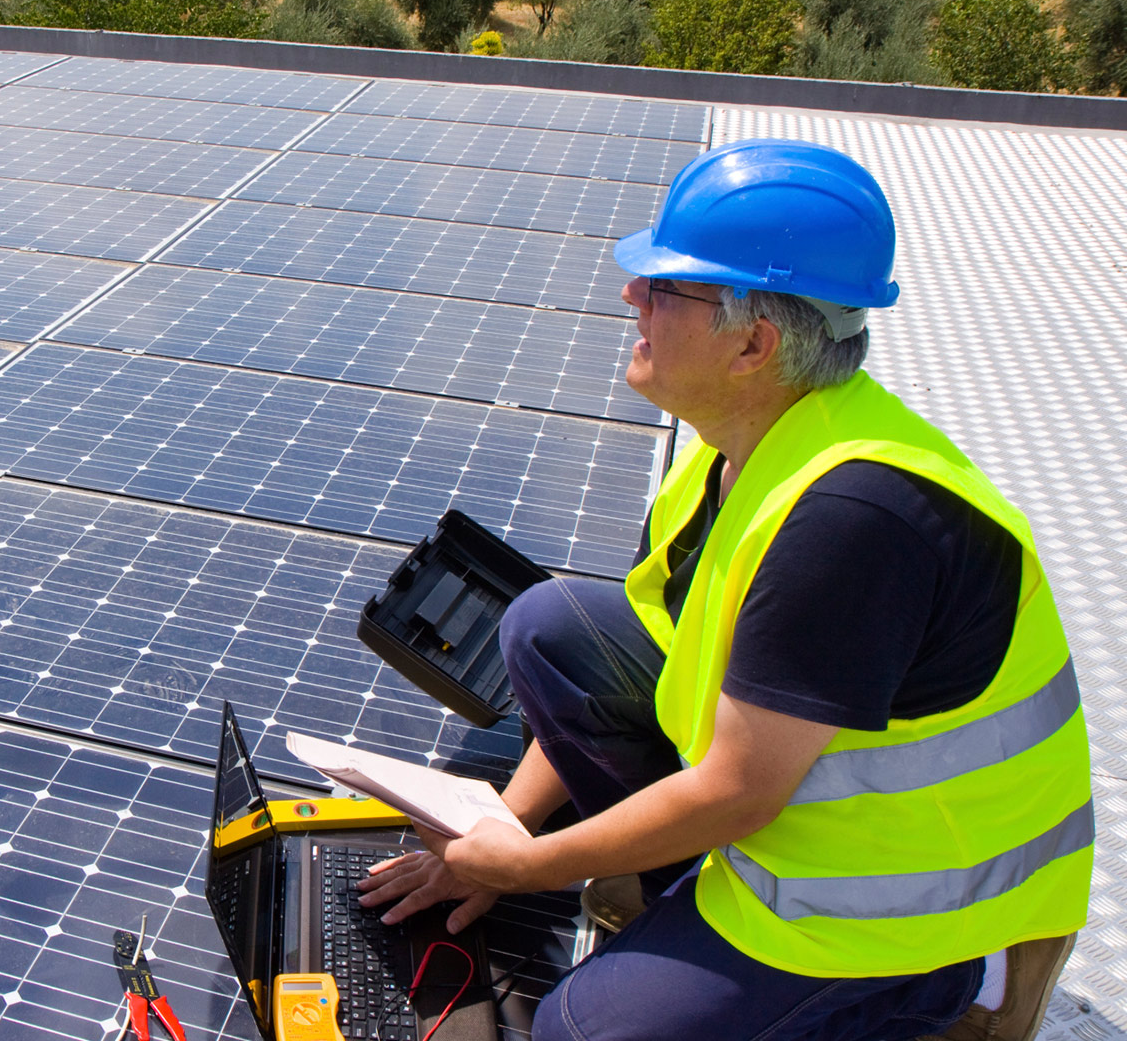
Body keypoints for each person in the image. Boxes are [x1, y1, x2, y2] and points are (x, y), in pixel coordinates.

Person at [356, 139, 1093, 1041]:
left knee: (581, 1032)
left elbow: (741, 792)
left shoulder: (851, 521)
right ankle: (684, 902)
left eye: (666, 288)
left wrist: (532, 868)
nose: (634, 297)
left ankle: (945, 998)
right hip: (795, 810)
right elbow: (673, 662)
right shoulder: (741, 451)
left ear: (754, 342)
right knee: (548, 626)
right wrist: (502, 832)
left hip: (892, 907)